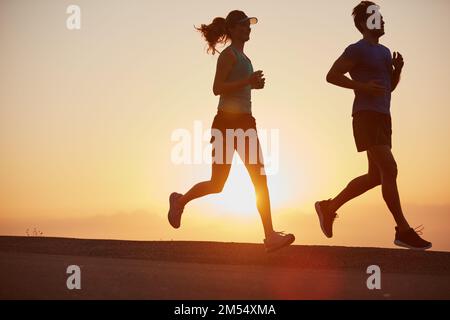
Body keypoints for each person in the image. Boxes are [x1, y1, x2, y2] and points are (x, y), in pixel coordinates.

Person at [168, 10, 295, 253]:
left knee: (260, 178)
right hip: (225, 123)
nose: (249, 29)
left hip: (246, 121)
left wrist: (253, 84)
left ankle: (270, 236)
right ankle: (180, 201)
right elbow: (217, 88)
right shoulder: (228, 56)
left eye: (250, 25)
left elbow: (240, 87)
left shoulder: (245, 58)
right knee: (217, 184)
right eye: (245, 25)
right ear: (234, 29)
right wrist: (248, 81)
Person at [315, 1, 432, 250]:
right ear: (363, 23)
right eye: (377, 17)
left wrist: (397, 71)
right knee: (389, 169)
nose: (382, 20)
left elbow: (388, 87)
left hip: (383, 116)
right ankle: (403, 230)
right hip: (365, 116)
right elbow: (331, 75)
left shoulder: (385, 51)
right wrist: (362, 86)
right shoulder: (356, 49)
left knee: (375, 176)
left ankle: (329, 207)